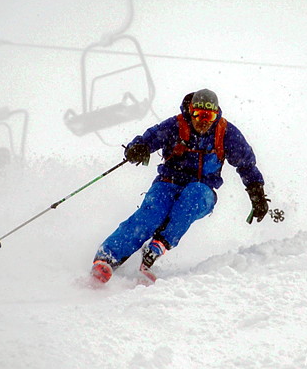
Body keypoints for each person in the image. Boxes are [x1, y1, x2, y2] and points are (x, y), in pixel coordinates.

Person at [91, 88, 270, 283]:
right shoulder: (175, 126)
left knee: (194, 196)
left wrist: (257, 196)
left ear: (216, 115)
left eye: (208, 116)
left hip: (202, 188)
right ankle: (107, 257)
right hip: (168, 184)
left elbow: (246, 165)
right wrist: (137, 149)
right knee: (151, 214)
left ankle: (158, 246)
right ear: (190, 111)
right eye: (198, 114)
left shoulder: (226, 133)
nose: (203, 120)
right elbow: (148, 139)